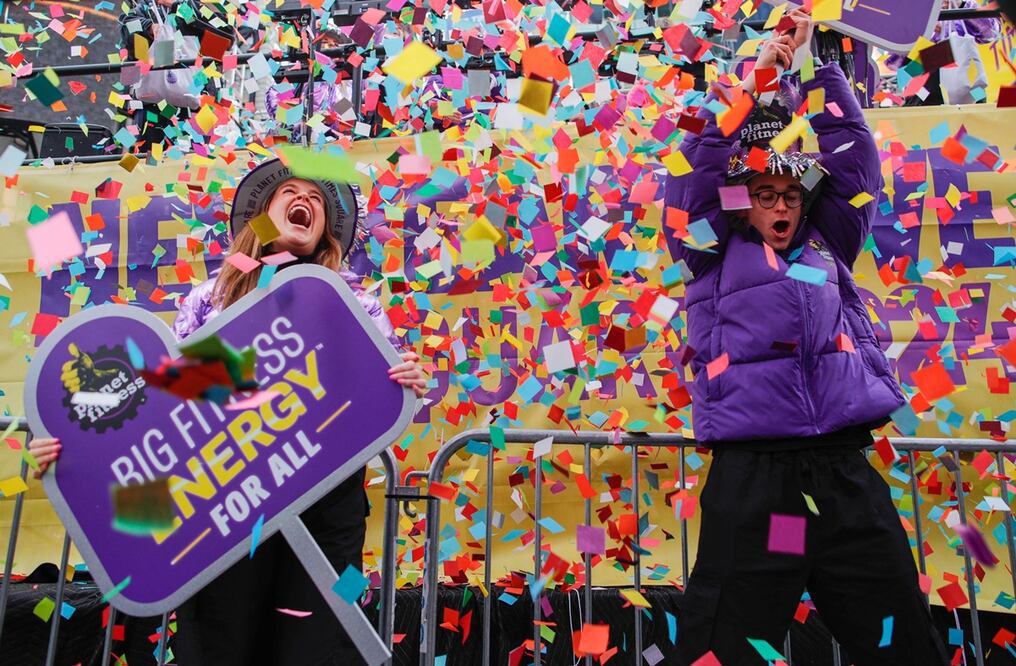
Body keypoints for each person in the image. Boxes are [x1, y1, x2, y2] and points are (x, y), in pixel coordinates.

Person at [29, 158, 427, 665]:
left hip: (326, 507)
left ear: (326, 233)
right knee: (220, 640)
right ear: (261, 217)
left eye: (317, 200)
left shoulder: (357, 303)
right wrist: (73, 451)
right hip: (226, 503)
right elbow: (164, 410)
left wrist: (401, 382)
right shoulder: (207, 300)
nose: (304, 201)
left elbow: (375, 405)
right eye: (290, 193)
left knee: (320, 642)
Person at [666, 9, 950, 666]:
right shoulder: (707, 251)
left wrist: (812, 66)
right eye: (764, 194)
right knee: (726, 650)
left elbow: (852, 152)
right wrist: (750, 83)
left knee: (901, 643)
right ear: (740, 203)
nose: (782, 206)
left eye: (792, 193)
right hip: (756, 482)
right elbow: (694, 175)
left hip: (845, 476)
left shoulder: (829, 243)